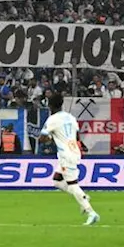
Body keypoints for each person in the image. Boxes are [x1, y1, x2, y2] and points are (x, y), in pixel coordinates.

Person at [40, 93, 98, 226]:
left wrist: (51, 138)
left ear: (50, 105)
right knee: (56, 181)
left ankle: (91, 212)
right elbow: (77, 136)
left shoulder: (52, 119)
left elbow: (42, 139)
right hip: (73, 152)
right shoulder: (71, 117)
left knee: (72, 184)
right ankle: (83, 196)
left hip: (66, 155)